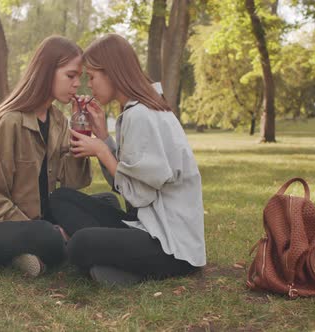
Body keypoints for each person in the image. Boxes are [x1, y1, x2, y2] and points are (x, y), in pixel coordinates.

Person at [49, 33, 206, 286]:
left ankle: (124, 270)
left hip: (170, 246)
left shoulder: (141, 115)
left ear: (111, 73)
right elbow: (128, 182)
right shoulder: (140, 109)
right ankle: (114, 265)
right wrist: (104, 137)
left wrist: (101, 150)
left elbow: (138, 196)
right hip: (145, 224)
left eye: (92, 76)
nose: (89, 85)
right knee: (60, 198)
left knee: (80, 244)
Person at [0, 36, 92, 277]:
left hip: (41, 218)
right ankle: (34, 247)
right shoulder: (8, 121)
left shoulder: (60, 122)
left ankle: (30, 254)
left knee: (105, 205)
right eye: (70, 76)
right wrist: (40, 227)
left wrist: (79, 131)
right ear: (47, 72)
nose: (77, 84)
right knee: (50, 236)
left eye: (79, 77)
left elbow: (72, 185)